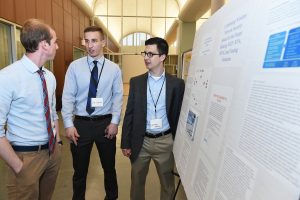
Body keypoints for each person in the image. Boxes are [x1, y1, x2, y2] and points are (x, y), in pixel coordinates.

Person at [0, 18, 62, 200]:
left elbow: (52, 112)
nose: (57, 46)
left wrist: (57, 143)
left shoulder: (49, 77)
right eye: (55, 41)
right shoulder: (7, 77)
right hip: (24, 157)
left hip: (52, 153)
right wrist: (19, 166)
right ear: (44, 44)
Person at [62, 25, 123, 200]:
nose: (90, 45)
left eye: (94, 41)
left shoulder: (113, 69)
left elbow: (118, 96)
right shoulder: (75, 67)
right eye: (86, 41)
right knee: (79, 171)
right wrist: (68, 124)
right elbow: (67, 97)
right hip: (80, 125)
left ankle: (111, 197)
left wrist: (114, 122)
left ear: (103, 42)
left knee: (109, 168)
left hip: (105, 124)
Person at [121, 37, 185, 200]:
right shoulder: (136, 82)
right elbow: (129, 113)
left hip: (165, 142)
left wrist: (179, 144)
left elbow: (179, 114)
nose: (146, 57)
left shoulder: (177, 84)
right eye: (145, 53)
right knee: (136, 183)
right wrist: (125, 142)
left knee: (167, 185)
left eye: (150, 54)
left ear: (162, 57)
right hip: (141, 142)